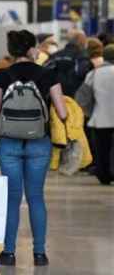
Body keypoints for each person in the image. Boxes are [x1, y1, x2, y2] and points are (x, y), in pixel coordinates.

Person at [0, 30, 67, 267]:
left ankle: (8, 253)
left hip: (8, 144)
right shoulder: (48, 74)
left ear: (11, 50)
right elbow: (63, 112)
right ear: (32, 49)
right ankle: (39, 254)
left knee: (13, 199)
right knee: (36, 197)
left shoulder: (1, 75)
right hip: (39, 142)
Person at [81, 44, 114, 185]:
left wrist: (89, 112)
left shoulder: (93, 74)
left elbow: (83, 97)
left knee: (102, 149)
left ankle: (103, 174)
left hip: (100, 119)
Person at [44, 30, 92, 97]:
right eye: (85, 38)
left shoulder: (55, 56)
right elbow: (81, 72)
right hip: (76, 97)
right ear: (80, 39)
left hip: (56, 96)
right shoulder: (82, 56)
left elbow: (44, 71)